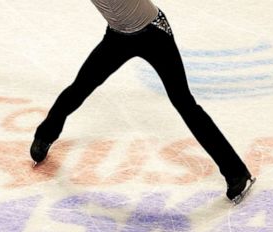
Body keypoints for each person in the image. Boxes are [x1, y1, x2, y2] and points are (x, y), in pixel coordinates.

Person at [30, 1, 256, 204]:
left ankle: (236, 172)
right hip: (117, 37)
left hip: (154, 33)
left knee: (184, 103)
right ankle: (45, 134)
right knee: (80, 87)